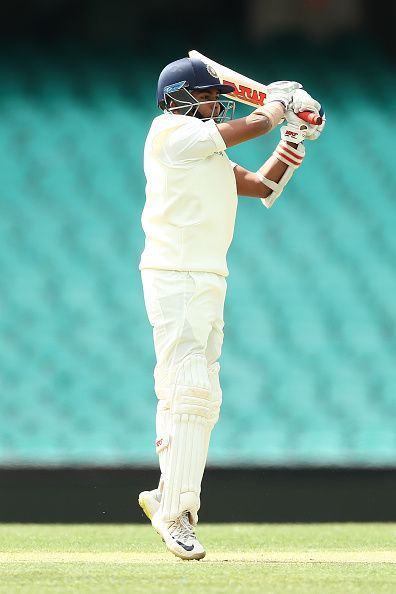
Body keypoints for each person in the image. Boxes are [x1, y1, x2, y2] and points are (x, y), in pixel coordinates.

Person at [138, 56, 325, 560]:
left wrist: (293, 141)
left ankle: (169, 496)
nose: (214, 102)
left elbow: (262, 186)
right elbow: (252, 123)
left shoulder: (208, 152)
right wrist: (278, 103)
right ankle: (175, 512)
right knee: (187, 387)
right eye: (206, 95)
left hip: (208, 276)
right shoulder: (170, 133)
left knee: (202, 396)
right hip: (175, 274)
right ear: (179, 97)